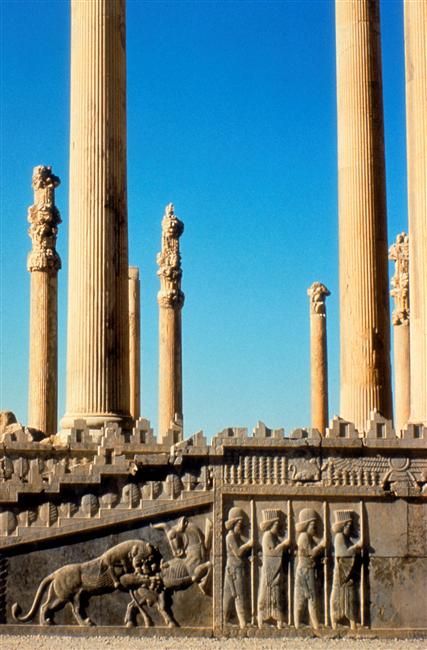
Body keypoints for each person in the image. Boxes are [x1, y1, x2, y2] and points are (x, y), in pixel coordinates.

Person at [257, 509, 290, 629]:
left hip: (275, 571)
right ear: (270, 525)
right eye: (276, 524)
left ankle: (278, 620)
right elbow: (272, 553)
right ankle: (262, 620)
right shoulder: (267, 536)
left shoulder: (273, 536)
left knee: (276, 596)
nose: (279, 526)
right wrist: (283, 545)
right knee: (266, 595)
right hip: (270, 571)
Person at [330, 509, 362, 630]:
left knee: (350, 596)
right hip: (342, 574)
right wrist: (357, 546)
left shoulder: (345, 538)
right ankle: (336, 622)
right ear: (342, 526)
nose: (351, 527)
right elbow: (343, 554)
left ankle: (352, 622)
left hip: (347, 574)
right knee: (341, 597)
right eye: (348, 525)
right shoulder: (339, 537)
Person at [294, 508, 326, 629]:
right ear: (306, 525)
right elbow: (311, 553)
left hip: (307, 569)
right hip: (305, 571)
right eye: (313, 525)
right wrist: (321, 546)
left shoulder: (307, 537)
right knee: (306, 597)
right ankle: (309, 624)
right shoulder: (304, 537)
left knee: (307, 597)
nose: (315, 528)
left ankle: (311, 623)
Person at [223, 507, 253, 629]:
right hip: (234, 570)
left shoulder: (235, 536)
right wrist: (249, 544)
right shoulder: (230, 537)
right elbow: (238, 552)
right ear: (233, 524)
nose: (241, 527)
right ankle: (242, 623)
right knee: (237, 595)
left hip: (236, 568)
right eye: (239, 524)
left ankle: (226, 620)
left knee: (231, 595)